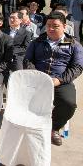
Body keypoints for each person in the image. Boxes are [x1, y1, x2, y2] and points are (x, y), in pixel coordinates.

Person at [24, 11, 83, 146]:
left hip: (61, 81)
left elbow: (77, 67)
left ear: (64, 26)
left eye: (55, 26)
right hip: (38, 80)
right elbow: (28, 60)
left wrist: (59, 80)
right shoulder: (38, 41)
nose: (50, 29)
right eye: (48, 25)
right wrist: (36, 75)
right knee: (23, 99)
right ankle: (33, 125)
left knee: (69, 104)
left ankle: (54, 127)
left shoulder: (72, 44)